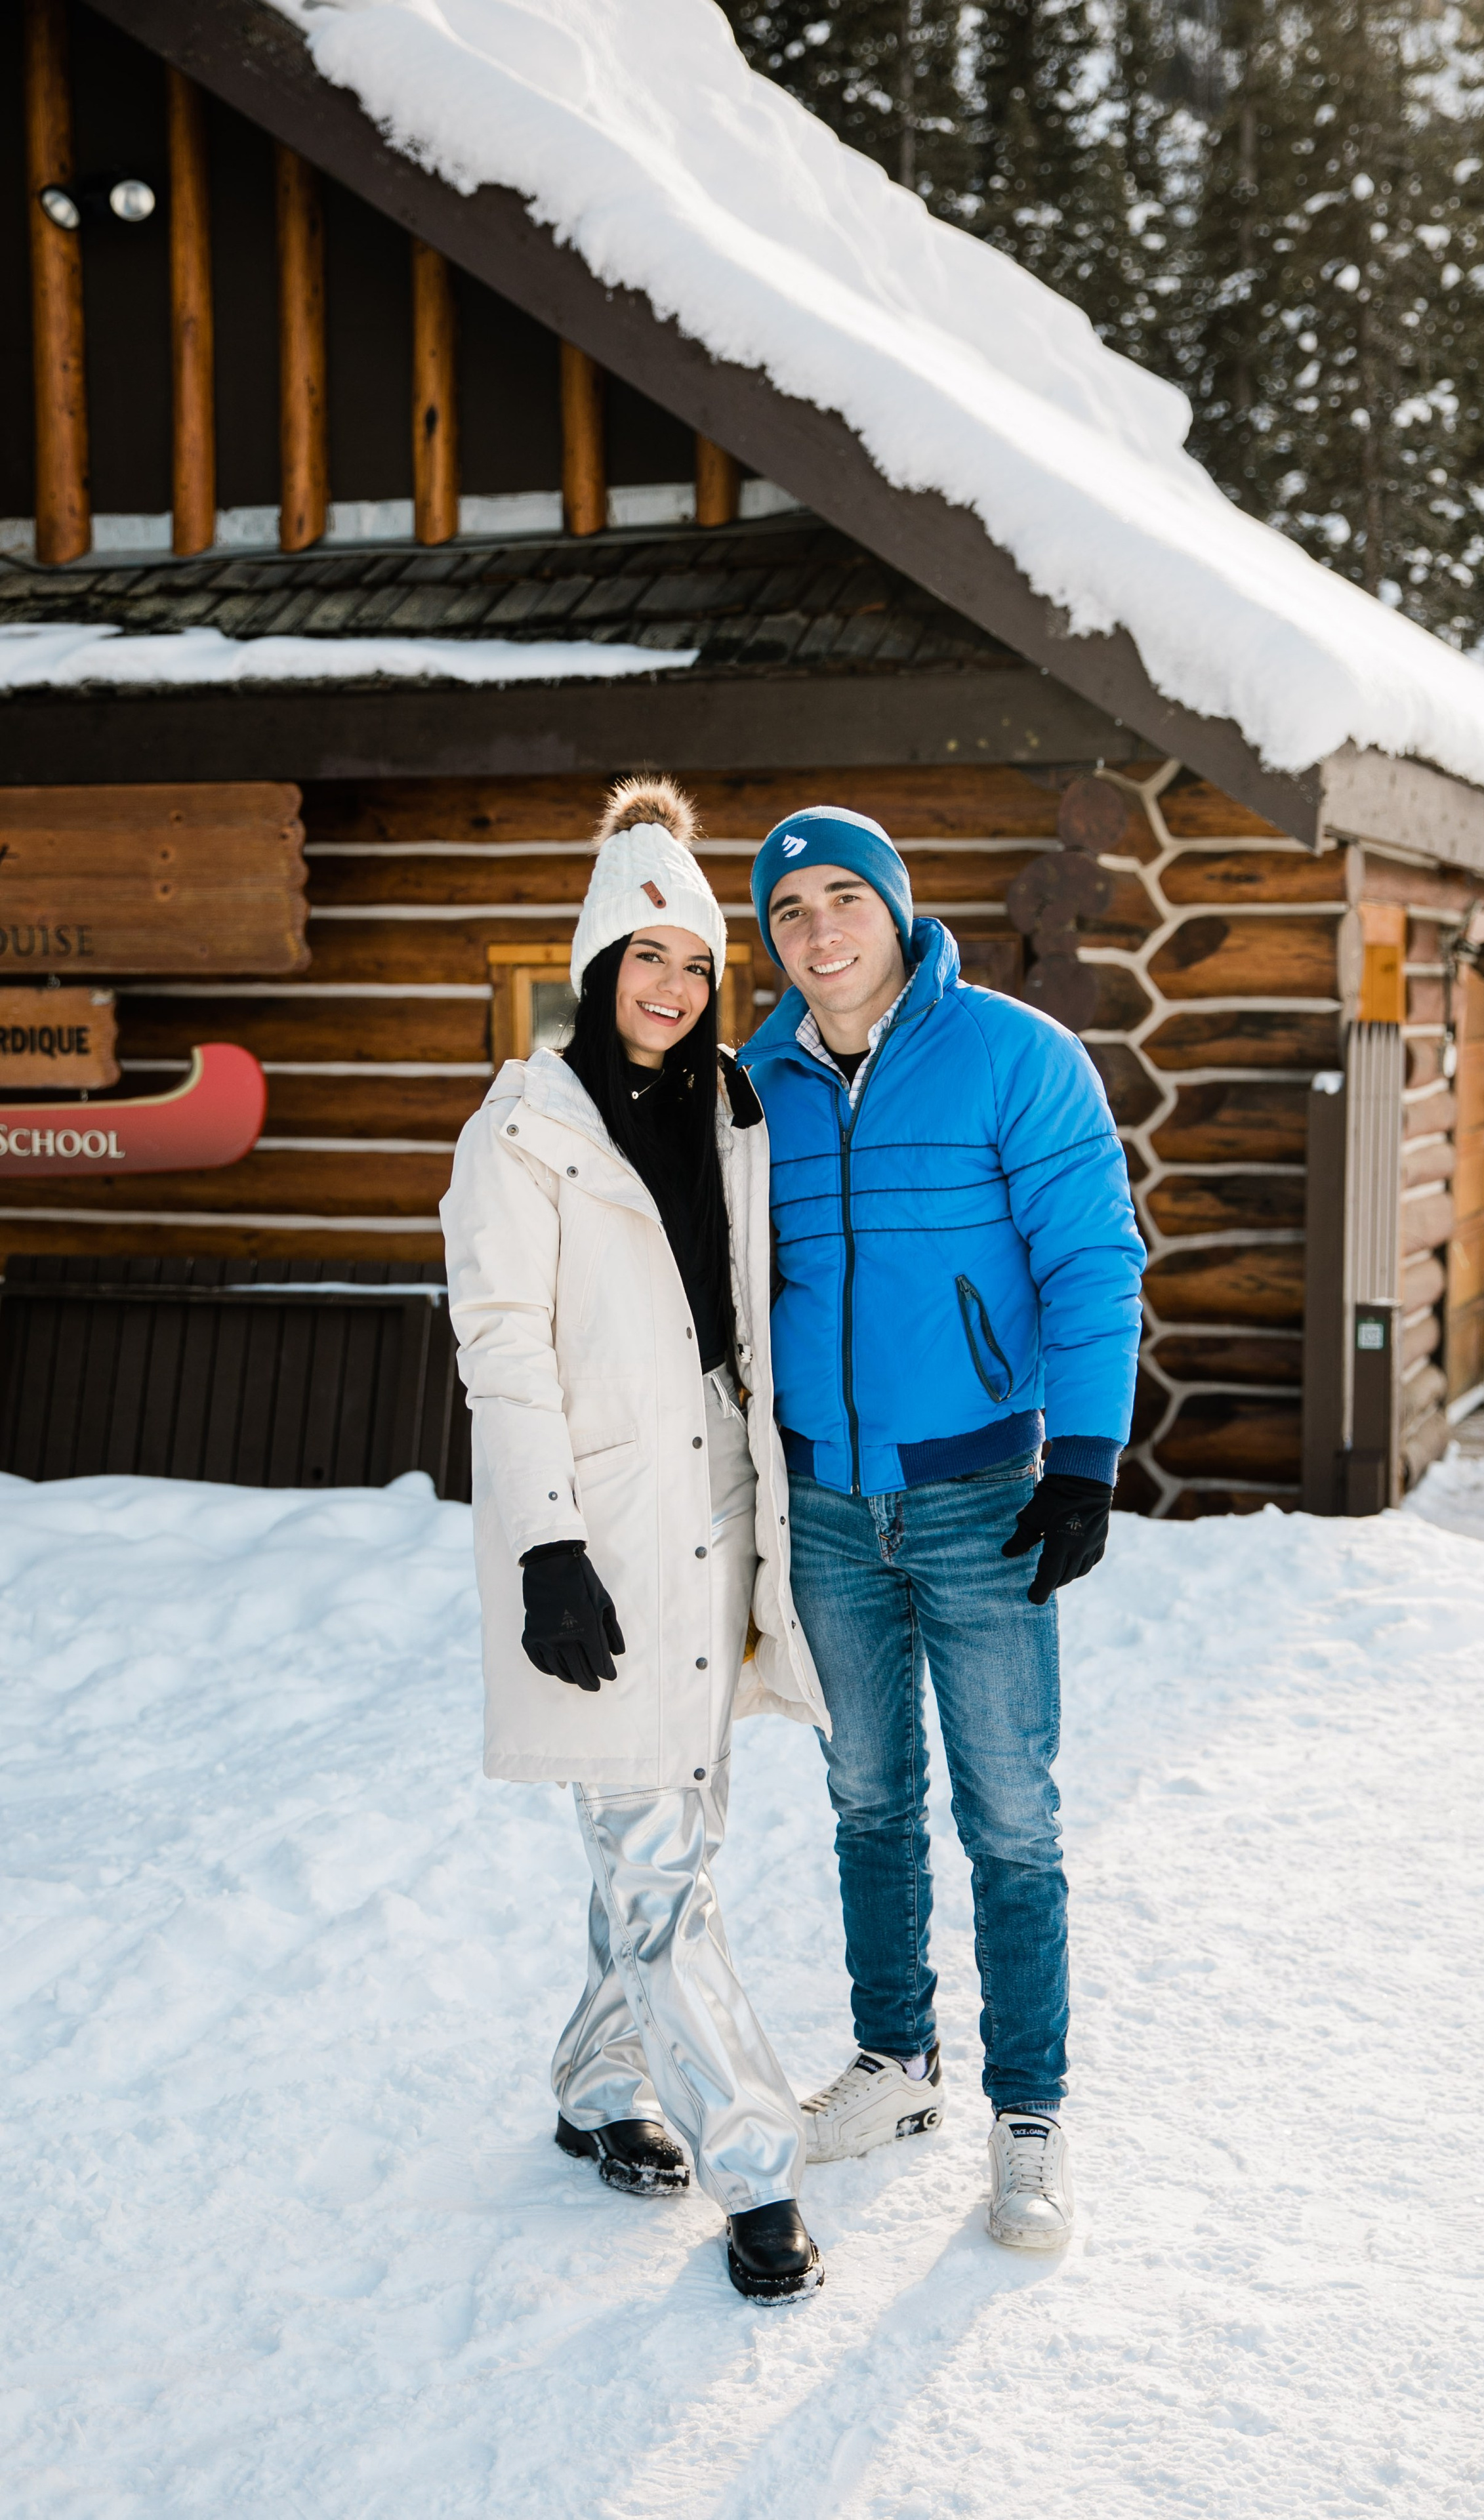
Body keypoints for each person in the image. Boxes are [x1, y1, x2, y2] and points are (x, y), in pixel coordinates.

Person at [440, 778, 829, 2302]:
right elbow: (502, 1352)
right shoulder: (522, 1130)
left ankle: (600, 2081)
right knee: (657, 1864)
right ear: (597, 963)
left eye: (694, 963)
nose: (669, 986)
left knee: (676, 1842)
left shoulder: (731, 1107)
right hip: (599, 1534)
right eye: (644, 957)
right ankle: (758, 2170)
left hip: (721, 1513)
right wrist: (545, 1547)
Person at [739, 806, 1145, 2250]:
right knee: (865, 1793)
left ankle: (1026, 2111)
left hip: (983, 1499)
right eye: (790, 912)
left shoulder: (1014, 1055)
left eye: (844, 898)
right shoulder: (755, 1088)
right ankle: (895, 2061)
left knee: (1010, 1808)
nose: (820, 930)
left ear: (897, 908)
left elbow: (1091, 1257)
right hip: (822, 1505)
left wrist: (1082, 1459)